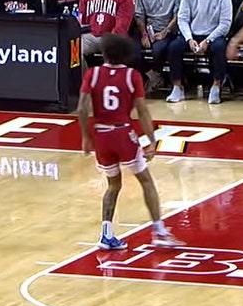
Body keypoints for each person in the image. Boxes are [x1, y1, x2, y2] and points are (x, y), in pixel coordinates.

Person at [77, 33, 184, 251]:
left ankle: (106, 234)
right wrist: (152, 141)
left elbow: (81, 109)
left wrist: (86, 137)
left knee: (113, 185)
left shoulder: (93, 74)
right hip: (122, 134)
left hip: (101, 135)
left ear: (104, 52)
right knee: (146, 181)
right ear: (126, 54)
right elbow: (142, 111)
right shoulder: (131, 76)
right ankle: (159, 231)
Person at [166, 0, 231, 104]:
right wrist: (189, 39)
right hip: (192, 33)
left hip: (213, 34)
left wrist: (208, 40)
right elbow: (182, 19)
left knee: (220, 47)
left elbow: (225, 24)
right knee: (174, 47)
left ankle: (216, 86)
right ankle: (177, 87)